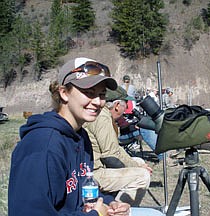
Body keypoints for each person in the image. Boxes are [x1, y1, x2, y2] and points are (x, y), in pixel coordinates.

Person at [8, 57, 131, 216]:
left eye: (101, 94)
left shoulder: (81, 137)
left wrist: (108, 203)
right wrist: (96, 214)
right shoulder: (42, 146)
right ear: (64, 93)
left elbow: (80, 190)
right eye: (89, 93)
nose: (97, 102)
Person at [84, 86, 152, 207]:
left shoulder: (104, 116)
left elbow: (115, 147)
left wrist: (137, 164)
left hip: (97, 165)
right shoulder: (102, 118)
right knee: (142, 176)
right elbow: (110, 155)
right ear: (117, 106)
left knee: (139, 161)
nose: (126, 108)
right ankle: (117, 210)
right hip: (94, 173)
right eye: (125, 104)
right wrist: (139, 168)